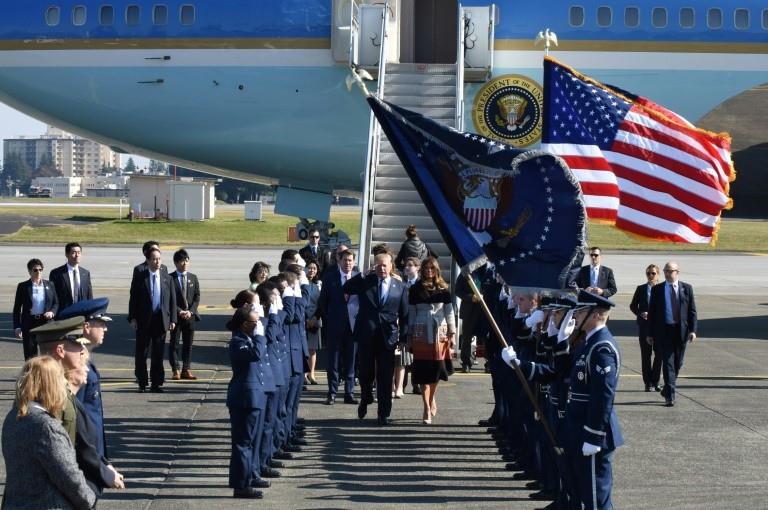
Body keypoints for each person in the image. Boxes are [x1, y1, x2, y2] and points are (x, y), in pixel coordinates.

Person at [2, 356, 98, 510]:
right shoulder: (46, 426)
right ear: (51, 385)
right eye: (61, 380)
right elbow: (69, 477)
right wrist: (90, 500)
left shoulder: (13, 417)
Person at [344, 252, 409, 425]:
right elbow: (347, 288)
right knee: (365, 373)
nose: (382, 268)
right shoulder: (366, 282)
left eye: (385, 265)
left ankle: (384, 413)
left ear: (391, 266)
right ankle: (366, 398)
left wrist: (403, 338)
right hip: (366, 334)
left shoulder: (399, 286)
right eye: (378, 265)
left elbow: (405, 315)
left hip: (387, 337)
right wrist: (363, 274)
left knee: (386, 376)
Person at [64, 349, 126, 496]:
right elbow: (79, 441)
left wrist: (104, 463)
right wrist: (104, 471)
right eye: (81, 362)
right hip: (80, 478)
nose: (86, 368)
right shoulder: (65, 407)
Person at [57, 297, 113, 459]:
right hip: (84, 459)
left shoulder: (85, 358)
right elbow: (75, 417)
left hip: (92, 453)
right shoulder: (77, 365)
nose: (105, 328)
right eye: (101, 323)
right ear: (86, 326)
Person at [407, 257, 455, 424]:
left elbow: (449, 312)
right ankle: (426, 407)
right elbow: (411, 313)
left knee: (436, 371)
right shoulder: (415, 289)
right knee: (422, 372)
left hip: (439, 333)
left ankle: (431, 397)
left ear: (436, 270)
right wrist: (409, 335)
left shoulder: (444, 289)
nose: (429, 271)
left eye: (432, 268)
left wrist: (452, 332)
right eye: (426, 268)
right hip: (420, 331)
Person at [225, 307, 267, 499]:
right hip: (244, 399)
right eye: (255, 322)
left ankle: (246, 478)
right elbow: (256, 354)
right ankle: (241, 486)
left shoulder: (247, 340)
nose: (258, 325)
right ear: (244, 325)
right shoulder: (237, 342)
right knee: (242, 444)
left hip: (253, 398)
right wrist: (260, 337)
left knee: (248, 443)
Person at [647, 261, 697, 407]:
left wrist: (693, 330)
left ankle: (667, 388)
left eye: (671, 271)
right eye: (666, 271)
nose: (668, 274)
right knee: (668, 363)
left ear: (677, 272)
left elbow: (692, 311)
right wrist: (649, 333)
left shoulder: (687, 289)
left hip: (681, 332)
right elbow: (652, 314)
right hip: (664, 332)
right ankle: (670, 396)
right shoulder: (658, 290)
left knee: (677, 363)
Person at [128, 246, 176, 393]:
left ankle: (156, 383)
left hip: (160, 320)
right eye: (154, 259)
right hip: (144, 320)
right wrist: (133, 318)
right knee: (142, 353)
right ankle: (142, 382)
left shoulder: (167, 278)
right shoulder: (141, 277)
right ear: (148, 261)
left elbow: (172, 301)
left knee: (158, 353)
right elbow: (133, 299)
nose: (157, 262)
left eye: (159, 258)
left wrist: (172, 319)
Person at [316, 249, 359, 405]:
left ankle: (349, 392)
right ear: (339, 261)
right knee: (333, 361)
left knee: (351, 361)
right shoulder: (331, 278)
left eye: (350, 260)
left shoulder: (358, 278)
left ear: (354, 262)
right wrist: (330, 318)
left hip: (353, 327)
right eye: (345, 260)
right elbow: (323, 301)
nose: (347, 263)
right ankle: (332, 392)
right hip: (335, 327)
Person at [13, 258, 59, 360]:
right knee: (30, 354)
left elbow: (56, 303)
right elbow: (17, 309)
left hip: (46, 322)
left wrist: (52, 312)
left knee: (48, 353)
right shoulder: (23, 286)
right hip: (29, 323)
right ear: (29, 272)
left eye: (40, 269)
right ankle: (31, 375)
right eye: (35, 270)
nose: (38, 272)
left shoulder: (50, 285)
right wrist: (17, 327)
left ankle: (48, 375)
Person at [169, 248, 201, 381]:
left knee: (188, 344)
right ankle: (175, 369)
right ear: (176, 263)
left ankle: (186, 369)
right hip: (177, 316)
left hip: (190, 316)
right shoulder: (170, 278)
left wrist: (191, 311)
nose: (185, 263)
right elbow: (168, 299)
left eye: (187, 261)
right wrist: (179, 311)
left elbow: (197, 296)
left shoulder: (193, 278)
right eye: (182, 261)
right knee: (174, 344)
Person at [455, 263, 493, 373]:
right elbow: (458, 290)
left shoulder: (489, 272)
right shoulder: (465, 272)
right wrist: (471, 297)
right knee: (467, 337)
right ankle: (466, 363)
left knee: (487, 337)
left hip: (485, 310)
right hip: (469, 310)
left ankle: (489, 363)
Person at [630, 264, 662, 392]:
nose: (650, 276)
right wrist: (640, 313)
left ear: (658, 274)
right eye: (648, 273)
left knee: (659, 355)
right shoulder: (641, 289)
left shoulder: (662, 289)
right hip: (644, 326)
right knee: (646, 355)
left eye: (653, 273)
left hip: (659, 327)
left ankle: (656, 381)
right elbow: (632, 306)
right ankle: (647, 383)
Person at [393, 257, 419, 399]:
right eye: (406, 265)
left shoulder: (420, 284)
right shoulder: (402, 284)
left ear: (417, 268)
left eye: (411, 265)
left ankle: (416, 384)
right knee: (403, 354)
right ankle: (401, 385)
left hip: (417, 322)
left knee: (416, 354)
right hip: (404, 321)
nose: (407, 268)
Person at [49, 242, 93, 314]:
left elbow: (89, 296)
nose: (77, 255)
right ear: (67, 254)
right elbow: (52, 296)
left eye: (79, 252)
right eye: (74, 253)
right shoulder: (56, 273)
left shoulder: (85, 273)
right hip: (63, 313)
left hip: (82, 314)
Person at [303, 260, 322, 385]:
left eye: (314, 268)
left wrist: (315, 318)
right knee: (303, 349)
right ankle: (304, 374)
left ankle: (312, 373)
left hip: (315, 319)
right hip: (303, 320)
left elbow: (321, 304)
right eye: (309, 268)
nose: (312, 270)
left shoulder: (318, 286)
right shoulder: (301, 285)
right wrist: (305, 320)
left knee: (313, 349)